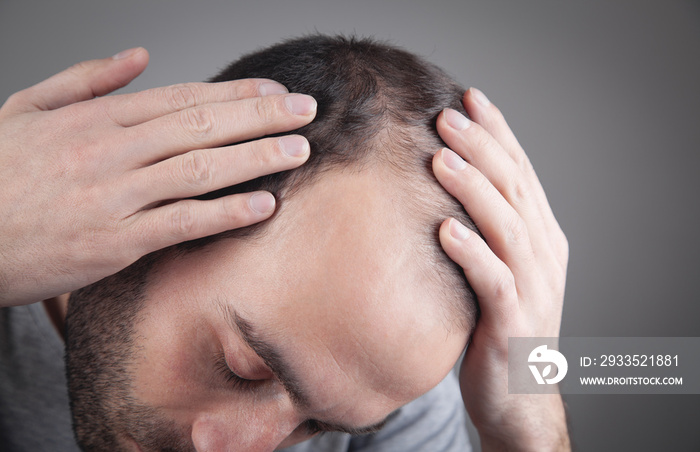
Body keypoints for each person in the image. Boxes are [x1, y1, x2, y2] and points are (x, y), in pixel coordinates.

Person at [0, 35, 570, 451]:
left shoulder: (372, 395)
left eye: (312, 429)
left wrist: (529, 416)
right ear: (171, 198)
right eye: (241, 367)